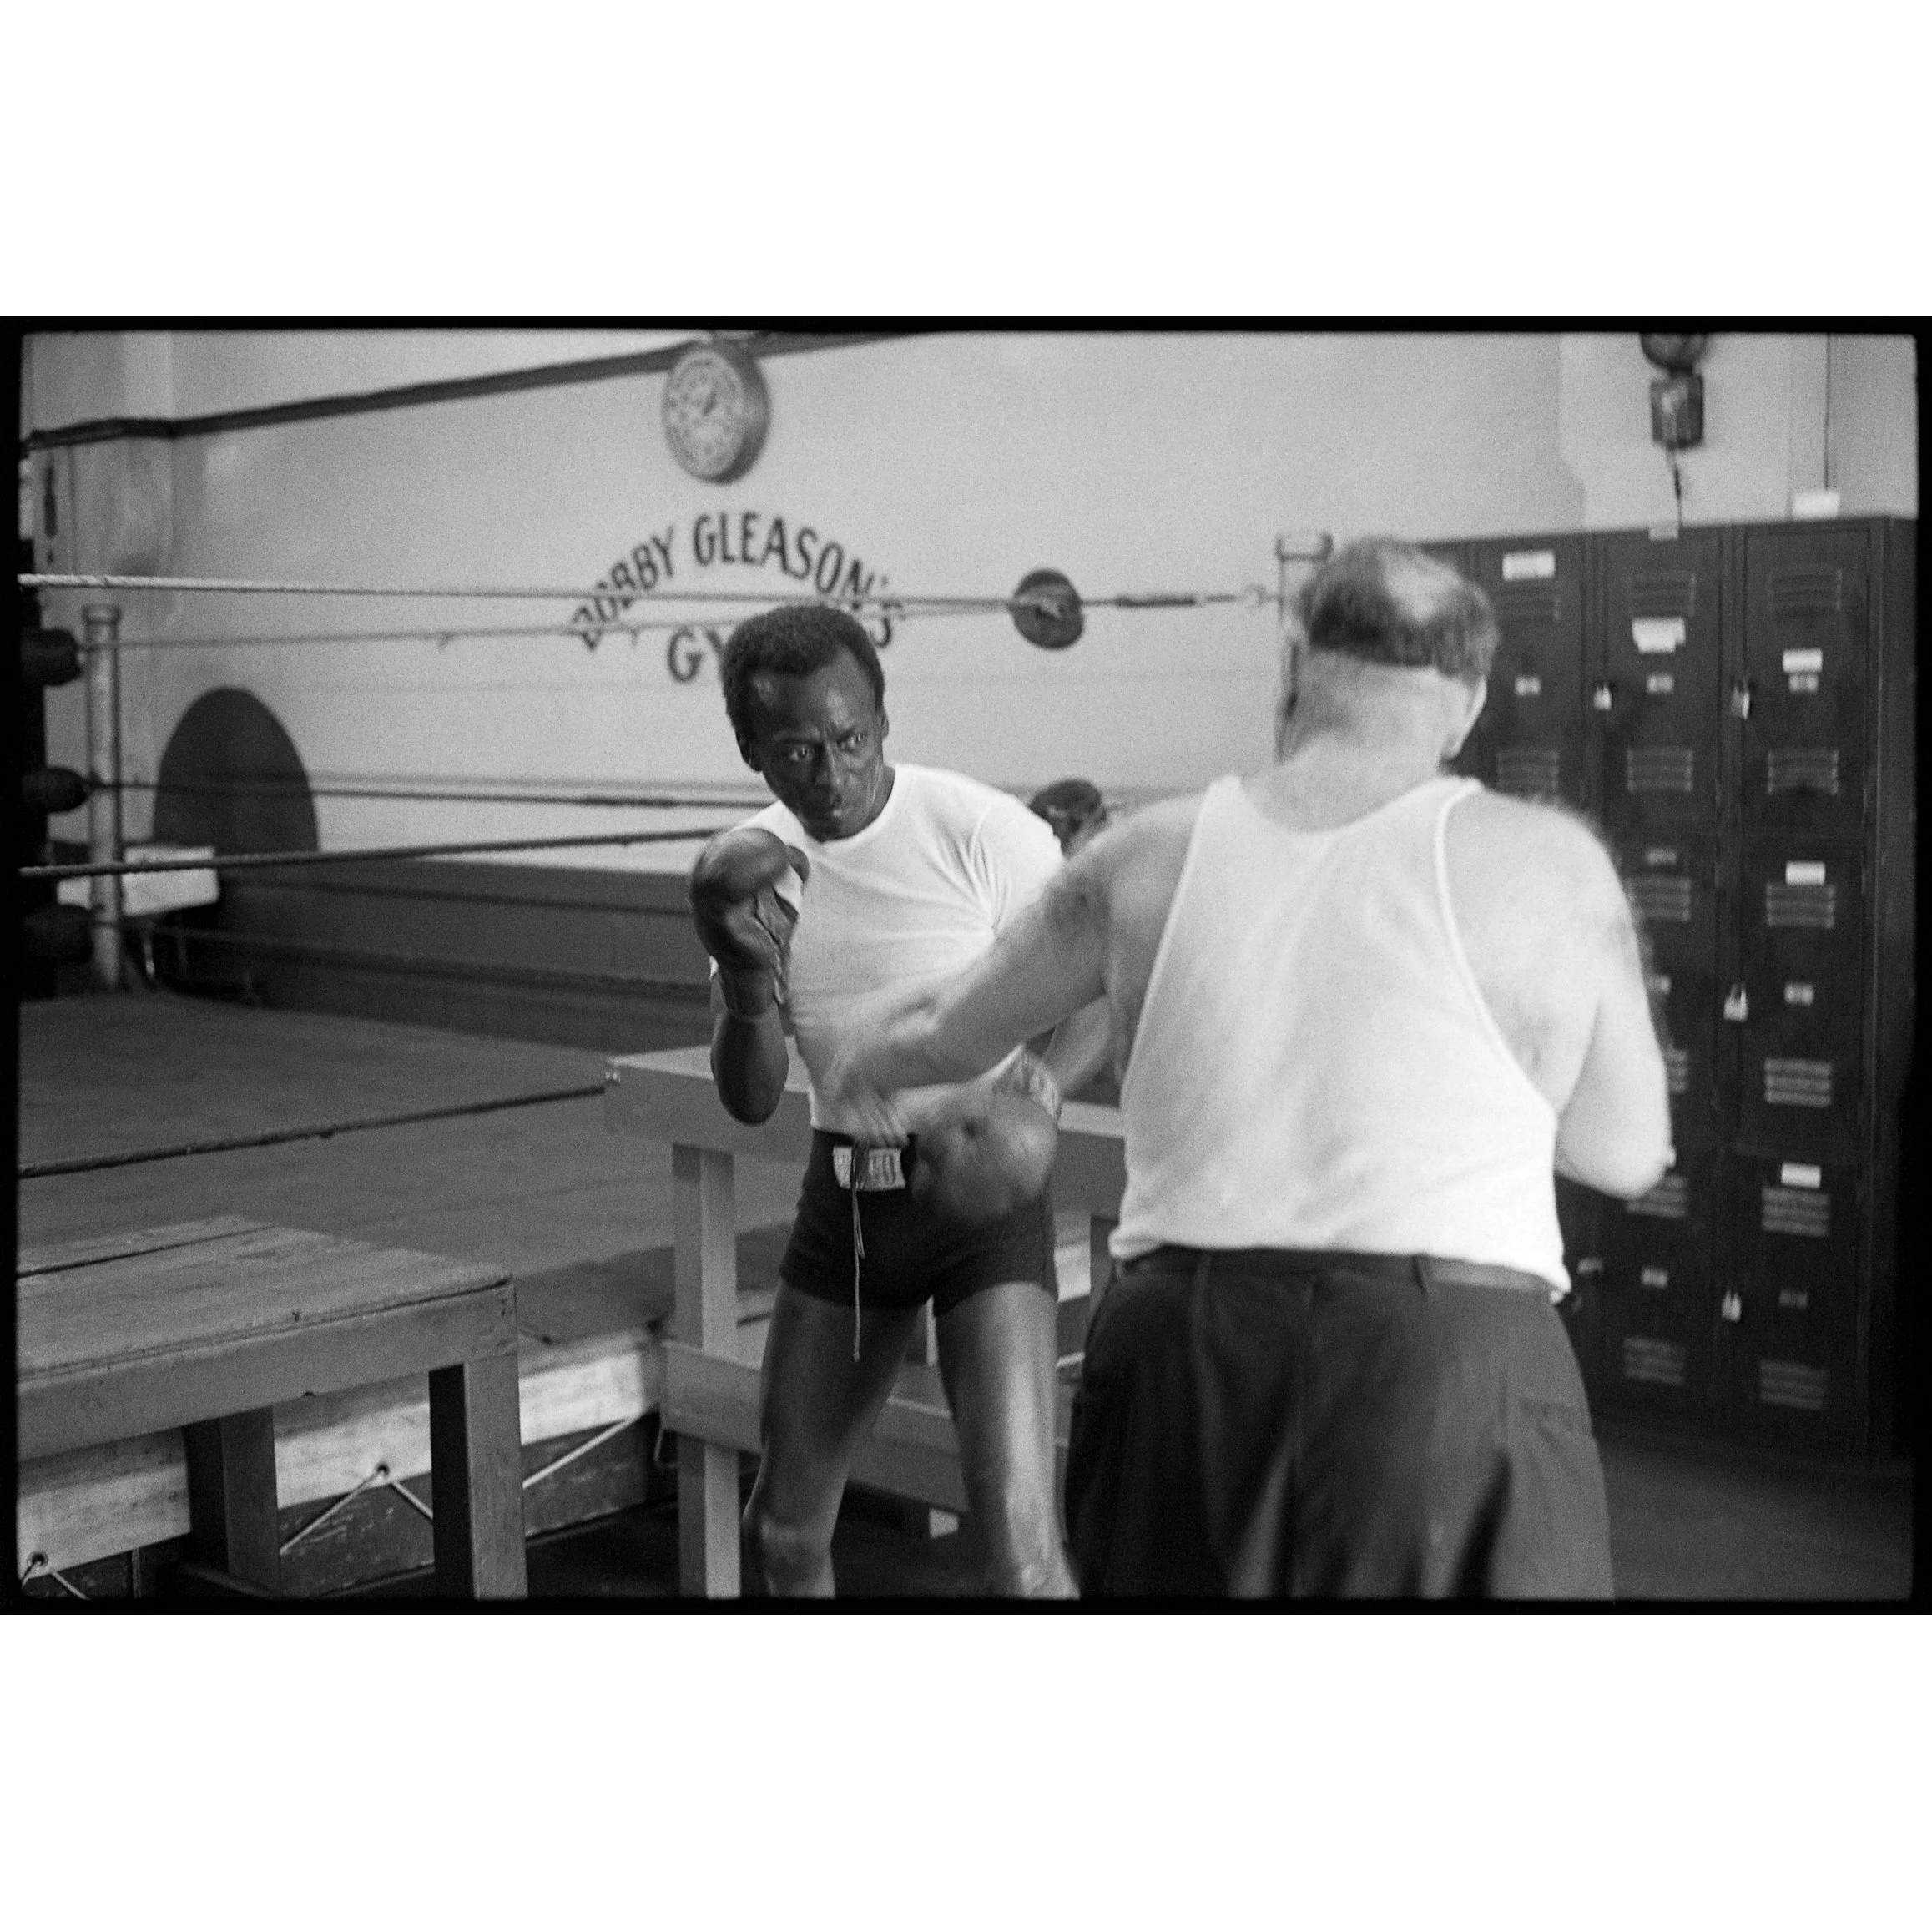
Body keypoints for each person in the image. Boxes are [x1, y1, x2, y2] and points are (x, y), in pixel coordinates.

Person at [825, 537, 1673, 1598]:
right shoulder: (1549, 864)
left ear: (1292, 662)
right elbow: (1626, 1152)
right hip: (1450, 1367)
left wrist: (860, 1058)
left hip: (1189, 1357)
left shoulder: (1142, 855)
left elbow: (947, 1029)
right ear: (1466, 704)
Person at [688, 603, 1106, 1597]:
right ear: (751, 750)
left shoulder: (979, 832)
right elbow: (749, 1098)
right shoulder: (753, 869)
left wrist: (1037, 1093)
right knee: (783, 1532)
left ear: (881, 720)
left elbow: (1096, 995)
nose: (830, 775)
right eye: (796, 752)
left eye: (850, 740)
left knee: (1022, 1554)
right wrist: (745, 983)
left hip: (982, 1208)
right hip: (848, 1210)